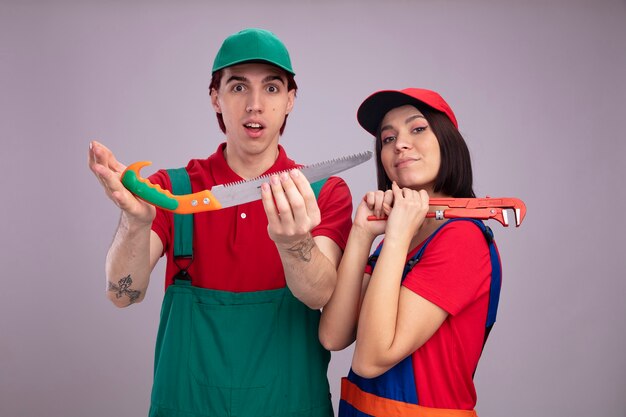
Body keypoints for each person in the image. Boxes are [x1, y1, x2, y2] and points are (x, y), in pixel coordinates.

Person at [88, 28, 352, 417]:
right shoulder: (171, 190)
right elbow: (122, 294)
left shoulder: (323, 192)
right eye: (239, 87)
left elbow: (319, 296)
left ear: (291, 100)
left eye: (273, 89)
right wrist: (135, 221)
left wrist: (294, 242)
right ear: (216, 97)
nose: (255, 105)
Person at [319, 88, 502, 416]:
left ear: (448, 142)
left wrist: (397, 237)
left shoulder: (462, 238)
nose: (400, 144)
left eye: (418, 129)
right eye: (388, 139)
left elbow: (371, 359)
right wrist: (361, 234)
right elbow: (333, 334)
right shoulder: (400, 237)